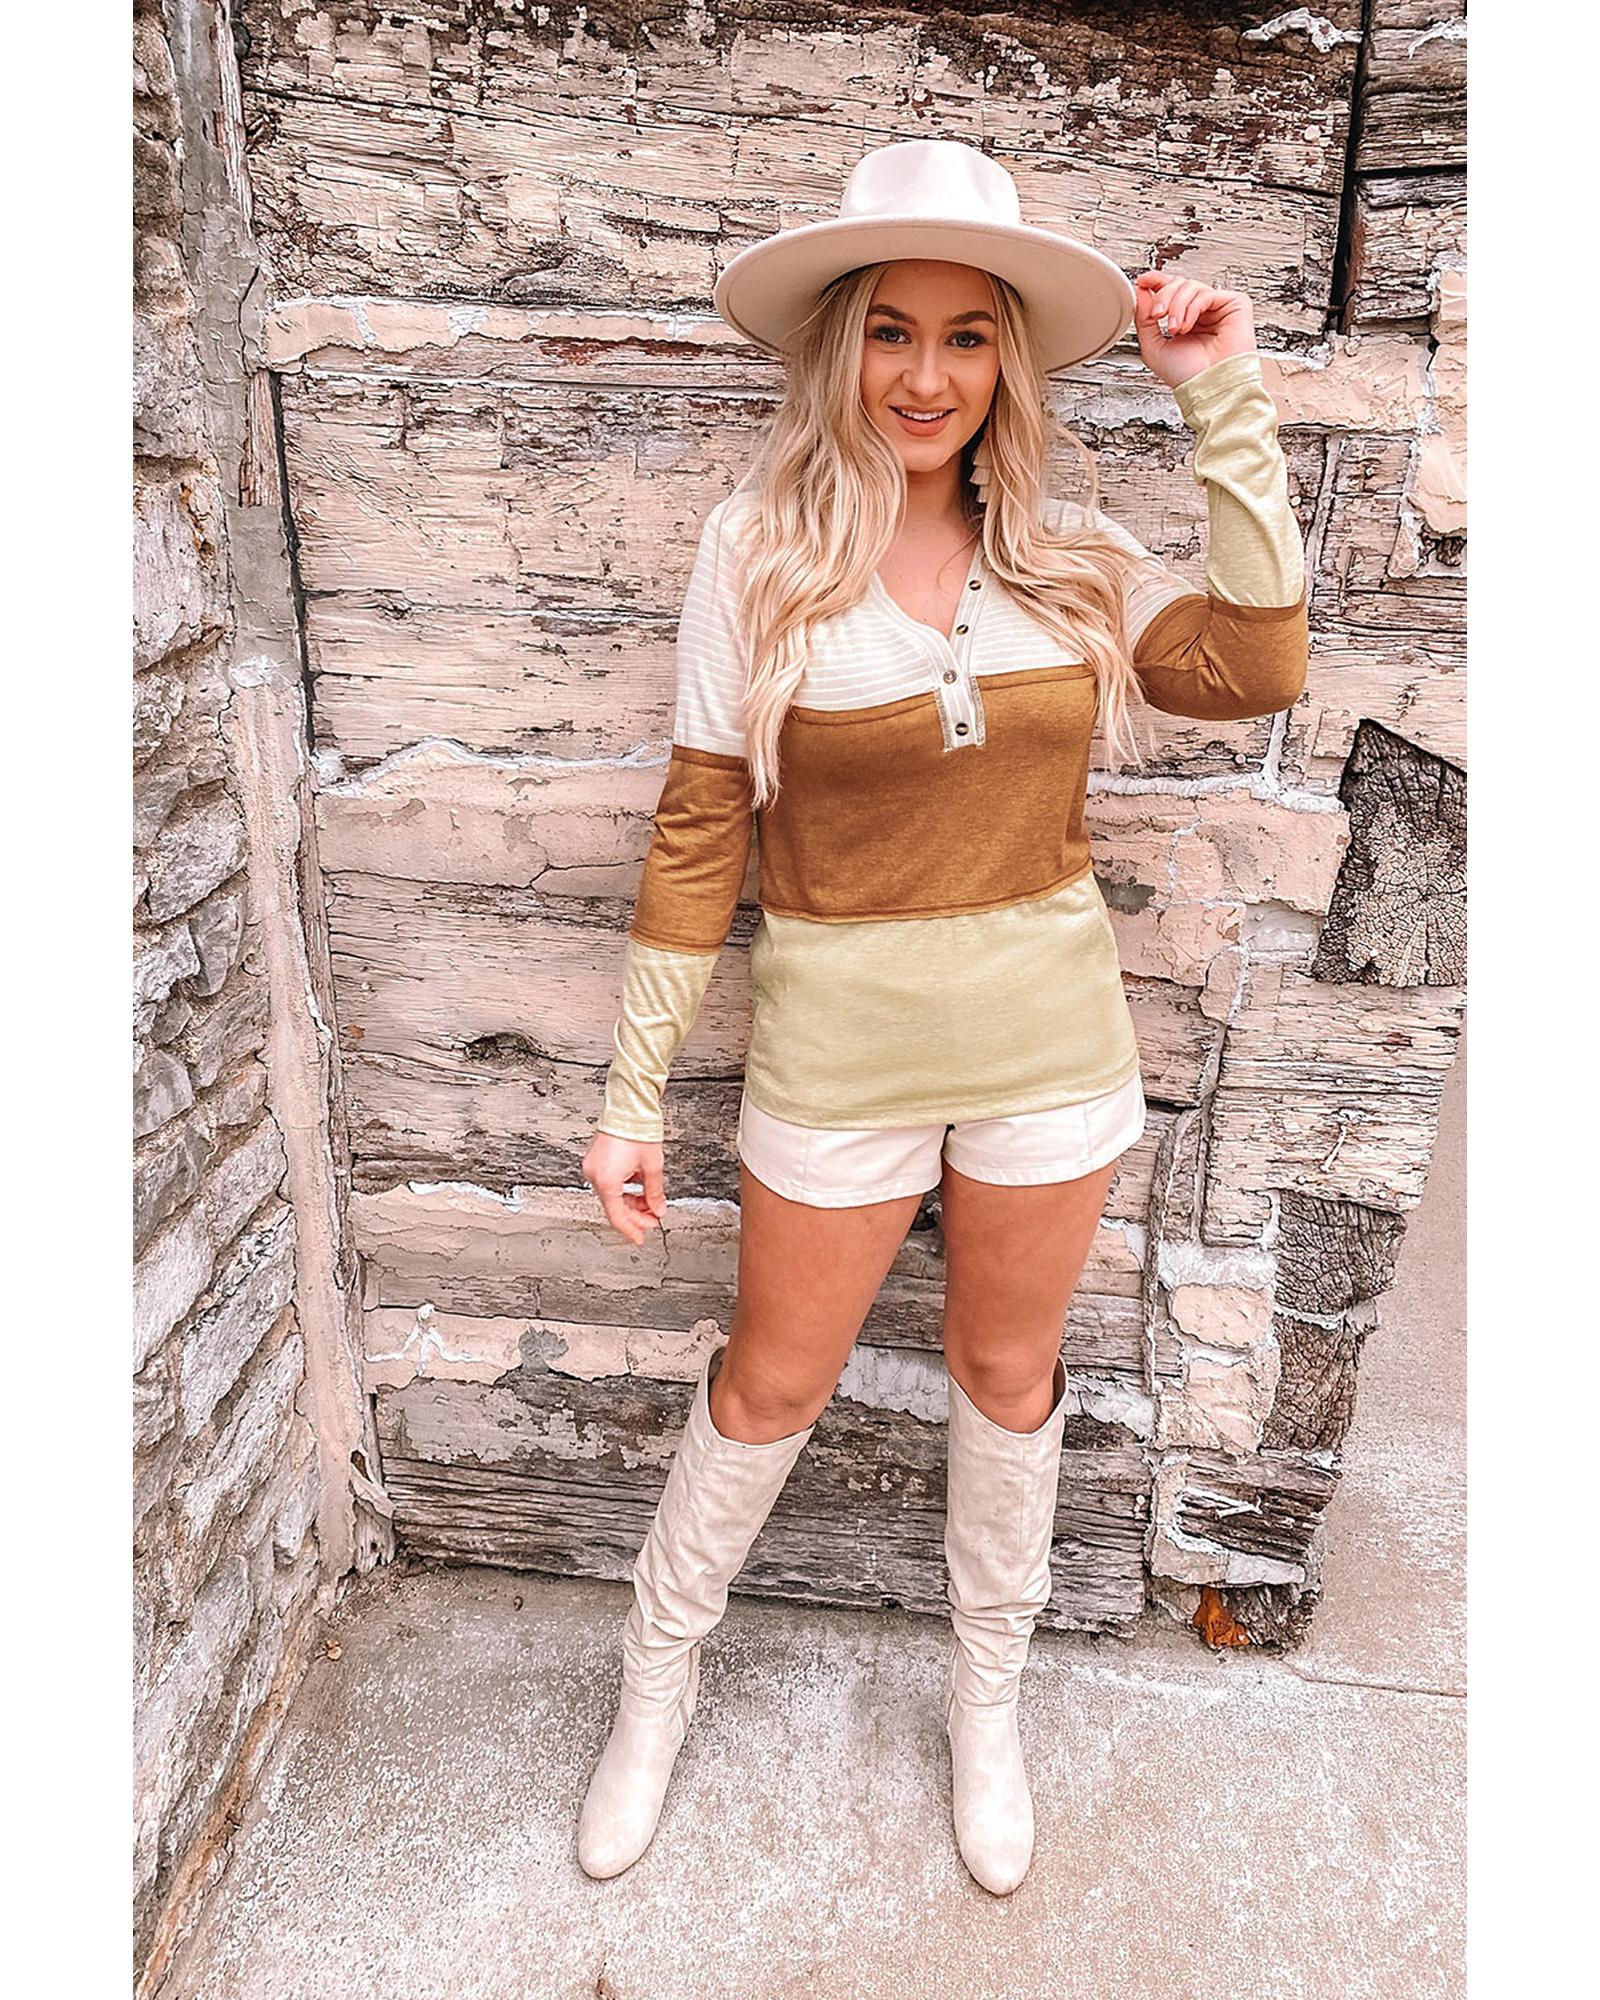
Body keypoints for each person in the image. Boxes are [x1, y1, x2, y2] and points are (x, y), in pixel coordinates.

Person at [574, 138, 1307, 1892]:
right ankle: (655, 1680)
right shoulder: (756, 551)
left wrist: (1220, 396)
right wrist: (629, 1092)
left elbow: (1257, 666)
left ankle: (988, 1706)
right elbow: (700, 828)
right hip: (838, 1058)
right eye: (892, 332)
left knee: (1007, 1374)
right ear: (843, 344)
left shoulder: (1069, 552)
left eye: (967, 335)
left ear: (1007, 359)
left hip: (1051, 1052)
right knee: (773, 1380)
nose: (926, 375)